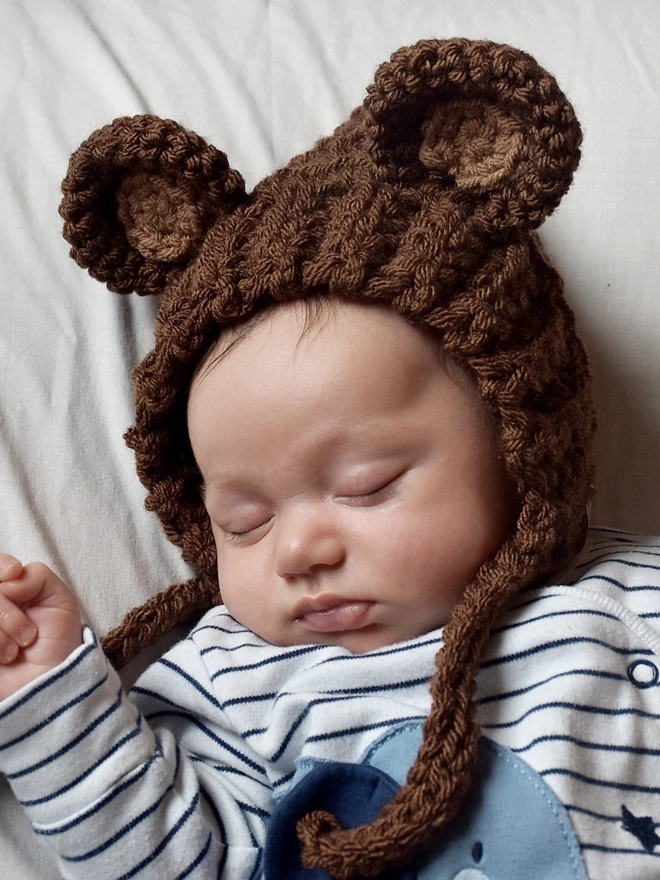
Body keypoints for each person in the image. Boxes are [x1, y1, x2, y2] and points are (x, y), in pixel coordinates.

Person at [1, 36, 660, 880]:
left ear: (520, 446)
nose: (301, 550)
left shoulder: (623, 603)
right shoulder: (235, 676)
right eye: (244, 521)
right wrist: (47, 692)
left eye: (368, 486)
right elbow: (168, 861)